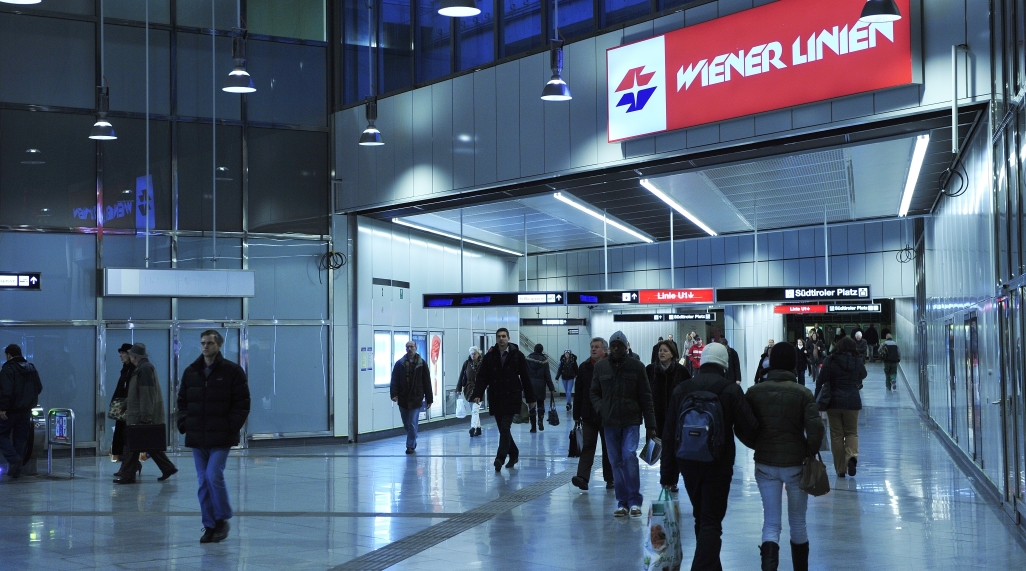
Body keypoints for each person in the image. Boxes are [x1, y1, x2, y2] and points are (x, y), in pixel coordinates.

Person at [660, 343, 758, 570]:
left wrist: (668, 474)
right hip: (718, 463)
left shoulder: (682, 388)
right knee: (711, 521)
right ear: (724, 363)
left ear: (702, 361)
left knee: (701, 517)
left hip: (687, 462)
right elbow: (750, 427)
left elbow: (669, 433)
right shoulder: (730, 390)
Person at [741, 342, 823, 571]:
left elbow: (743, 426)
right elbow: (816, 430)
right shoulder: (803, 393)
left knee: (770, 524)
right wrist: (807, 450)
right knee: (798, 523)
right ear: (793, 364)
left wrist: (756, 444)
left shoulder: (754, 392)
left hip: (765, 464)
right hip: (796, 464)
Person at [177, 330, 251, 543]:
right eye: (202, 343)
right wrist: (184, 423)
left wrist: (231, 426)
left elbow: (242, 402)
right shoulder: (192, 371)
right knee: (202, 480)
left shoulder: (232, 371)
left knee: (213, 475)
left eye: (209, 343)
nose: (205, 347)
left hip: (221, 435)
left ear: (219, 345)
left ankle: (222, 518)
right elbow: (182, 401)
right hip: (198, 435)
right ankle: (209, 524)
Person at [591, 331, 656, 518]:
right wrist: (601, 408)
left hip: (631, 421)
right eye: (614, 345)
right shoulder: (601, 367)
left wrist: (651, 424)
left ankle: (635, 501)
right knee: (615, 461)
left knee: (629, 455)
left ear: (626, 346)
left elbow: (646, 396)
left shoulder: (637, 367)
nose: (617, 348)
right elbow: (594, 392)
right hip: (609, 422)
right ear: (610, 347)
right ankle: (622, 502)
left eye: (620, 345)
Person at [471, 328, 537, 472]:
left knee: (505, 427)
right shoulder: (490, 356)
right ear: (496, 339)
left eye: (504, 336)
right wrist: (478, 393)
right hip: (496, 397)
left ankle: (499, 458)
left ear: (508, 338)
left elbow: (525, 378)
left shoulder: (517, 356)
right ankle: (513, 453)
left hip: (512, 397)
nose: (501, 339)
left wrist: (531, 399)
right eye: (499, 337)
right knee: (503, 429)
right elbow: (483, 376)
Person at [115, 343, 178, 485]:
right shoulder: (141, 368)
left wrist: (146, 417)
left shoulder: (145, 369)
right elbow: (135, 393)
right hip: (138, 413)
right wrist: (125, 405)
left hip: (140, 415)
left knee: (133, 446)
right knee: (146, 445)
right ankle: (167, 468)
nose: (128, 356)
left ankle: (128, 476)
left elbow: (146, 395)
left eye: (130, 354)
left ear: (134, 356)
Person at [816, 337, 867, 478]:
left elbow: (820, 380)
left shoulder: (830, 360)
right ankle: (851, 457)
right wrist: (854, 380)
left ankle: (840, 469)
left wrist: (817, 400)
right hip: (852, 401)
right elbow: (864, 374)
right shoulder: (857, 360)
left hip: (833, 402)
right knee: (851, 432)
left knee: (836, 435)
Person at [646, 340, 691, 492]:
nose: (662, 353)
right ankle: (666, 480)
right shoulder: (650, 370)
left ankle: (671, 481)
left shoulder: (682, 372)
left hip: (676, 417)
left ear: (672, 353)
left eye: (665, 350)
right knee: (660, 450)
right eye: (660, 350)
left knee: (674, 451)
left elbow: (688, 395)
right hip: (655, 417)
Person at [571, 337, 614, 491]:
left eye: (597, 347)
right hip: (589, 414)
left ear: (605, 350)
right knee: (588, 445)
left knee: (608, 447)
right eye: (592, 347)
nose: (593, 349)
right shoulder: (584, 367)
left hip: (606, 414)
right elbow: (580, 392)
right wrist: (576, 415)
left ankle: (610, 478)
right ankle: (582, 477)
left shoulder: (611, 365)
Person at [0, 344, 42, 480]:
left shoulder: (8, 368)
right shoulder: (31, 368)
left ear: (8, 355)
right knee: (20, 440)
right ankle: (16, 471)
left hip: (11, 411)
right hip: (26, 411)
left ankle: (13, 460)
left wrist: (2, 408)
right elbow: (39, 387)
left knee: (1, 435)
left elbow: (6, 391)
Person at [390, 340, 433, 453]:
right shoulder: (399, 364)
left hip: (416, 397)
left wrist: (429, 398)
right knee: (407, 424)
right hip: (403, 398)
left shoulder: (422, 364)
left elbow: (427, 382)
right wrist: (394, 394)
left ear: (416, 348)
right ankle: (413, 438)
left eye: (411, 347)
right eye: (407, 347)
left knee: (413, 422)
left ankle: (410, 445)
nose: (410, 349)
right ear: (405, 349)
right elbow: (394, 380)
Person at [110, 343, 135, 474]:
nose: (120, 355)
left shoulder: (133, 370)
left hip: (128, 410)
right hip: (122, 410)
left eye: (123, 353)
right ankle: (129, 465)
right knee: (124, 438)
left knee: (127, 438)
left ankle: (127, 466)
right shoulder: (125, 369)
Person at [526, 344, 557, 433]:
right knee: (540, 403)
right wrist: (551, 388)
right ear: (541, 350)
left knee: (531, 405)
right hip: (540, 385)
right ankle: (540, 420)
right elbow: (547, 376)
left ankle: (533, 427)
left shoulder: (528, 358)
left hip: (530, 385)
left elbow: (525, 373)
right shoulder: (544, 361)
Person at [456, 347, 483, 437]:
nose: (473, 355)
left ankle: (473, 428)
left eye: (475, 353)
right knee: (473, 410)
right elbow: (461, 376)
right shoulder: (466, 364)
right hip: (468, 390)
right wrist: (458, 389)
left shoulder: (482, 364)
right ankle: (478, 428)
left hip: (479, 390)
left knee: (475, 410)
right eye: (471, 354)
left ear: (478, 354)